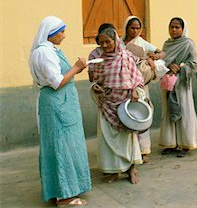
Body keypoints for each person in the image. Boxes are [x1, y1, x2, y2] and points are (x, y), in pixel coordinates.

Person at [29, 16, 91, 207]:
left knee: (68, 145)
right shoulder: (44, 53)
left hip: (63, 104)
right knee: (61, 146)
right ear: (51, 33)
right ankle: (64, 196)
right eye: (61, 32)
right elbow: (57, 82)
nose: (64, 36)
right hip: (57, 104)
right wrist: (77, 68)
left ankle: (67, 188)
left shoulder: (50, 50)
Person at [92, 28, 145, 184]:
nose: (105, 45)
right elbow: (97, 81)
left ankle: (131, 169)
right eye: (101, 43)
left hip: (125, 106)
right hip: (107, 105)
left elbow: (138, 80)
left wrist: (136, 91)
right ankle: (115, 170)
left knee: (128, 138)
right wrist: (96, 88)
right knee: (108, 140)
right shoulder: (100, 61)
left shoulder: (126, 58)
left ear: (115, 41)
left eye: (107, 41)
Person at [122, 15, 163, 163]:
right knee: (128, 115)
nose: (135, 31)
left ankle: (144, 151)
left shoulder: (141, 42)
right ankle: (130, 151)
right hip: (125, 85)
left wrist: (152, 57)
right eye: (132, 28)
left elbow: (161, 52)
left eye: (138, 28)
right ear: (126, 28)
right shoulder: (119, 43)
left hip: (140, 85)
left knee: (142, 114)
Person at [159, 18, 197, 157]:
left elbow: (193, 63)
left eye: (177, 27)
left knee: (184, 111)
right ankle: (171, 143)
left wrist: (181, 67)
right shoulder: (167, 44)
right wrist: (169, 65)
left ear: (183, 29)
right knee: (168, 110)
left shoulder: (188, 44)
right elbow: (161, 61)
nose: (174, 30)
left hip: (182, 84)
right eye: (171, 27)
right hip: (168, 82)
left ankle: (185, 144)